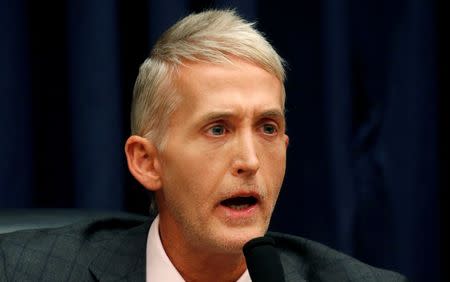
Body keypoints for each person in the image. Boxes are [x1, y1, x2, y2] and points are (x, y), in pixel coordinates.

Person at [0, 9, 407, 282]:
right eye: (217, 129)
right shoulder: (20, 271)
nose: (249, 161)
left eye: (267, 128)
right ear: (147, 162)